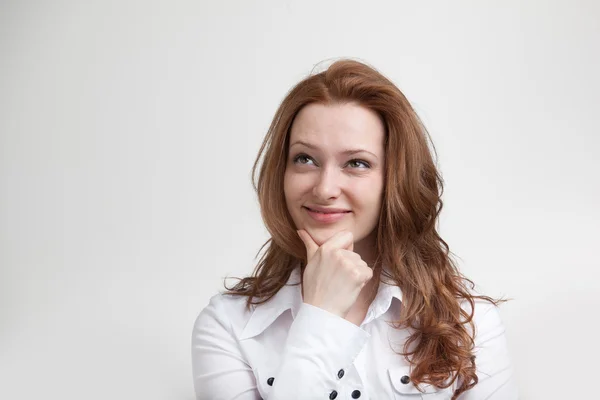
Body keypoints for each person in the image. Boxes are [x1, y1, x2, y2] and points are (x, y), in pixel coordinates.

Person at [191, 59, 518, 400]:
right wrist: (320, 317)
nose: (324, 188)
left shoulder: (471, 322)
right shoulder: (227, 327)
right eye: (305, 159)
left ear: (394, 179)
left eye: (356, 163)